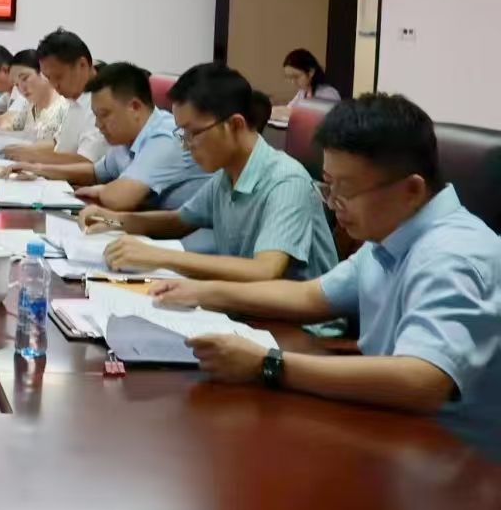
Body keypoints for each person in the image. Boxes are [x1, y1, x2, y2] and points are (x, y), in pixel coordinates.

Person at [151, 95, 498, 449]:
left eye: (346, 190)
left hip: (463, 455)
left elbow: (423, 380)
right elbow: (311, 295)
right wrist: (204, 292)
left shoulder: (454, 255)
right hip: (392, 425)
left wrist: (267, 364)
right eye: (328, 185)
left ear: (411, 190)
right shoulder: (391, 234)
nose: (333, 204)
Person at [77, 61, 337, 281]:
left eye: (193, 133)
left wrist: (160, 256)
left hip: (293, 323)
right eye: (183, 134)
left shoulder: (286, 181)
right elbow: (178, 221)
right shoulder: (225, 176)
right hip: (243, 306)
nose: (186, 145)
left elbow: (264, 270)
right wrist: (112, 219)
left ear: (235, 125)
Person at [16, 62, 211, 213]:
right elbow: (96, 172)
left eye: (104, 115)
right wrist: (39, 170)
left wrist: (102, 190)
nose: (98, 125)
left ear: (134, 107)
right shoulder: (126, 138)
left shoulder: (166, 138)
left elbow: (120, 198)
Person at [2, 29, 107, 166]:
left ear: (82, 65)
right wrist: (25, 151)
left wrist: (35, 160)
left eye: (58, 77)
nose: (54, 85)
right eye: (48, 78)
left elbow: (88, 162)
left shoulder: (101, 101)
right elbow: (60, 143)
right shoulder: (73, 98)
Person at [0, 49, 68, 140]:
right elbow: (10, 122)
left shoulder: (65, 106)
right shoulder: (29, 105)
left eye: (25, 78)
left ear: (44, 72)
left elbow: (61, 144)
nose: (22, 88)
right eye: (17, 84)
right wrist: (5, 128)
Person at [273, 48, 342, 121]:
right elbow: (288, 109)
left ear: (311, 72)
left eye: (296, 77)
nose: (293, 82)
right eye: (289, 77)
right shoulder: (302, 93)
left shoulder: (328, 94)